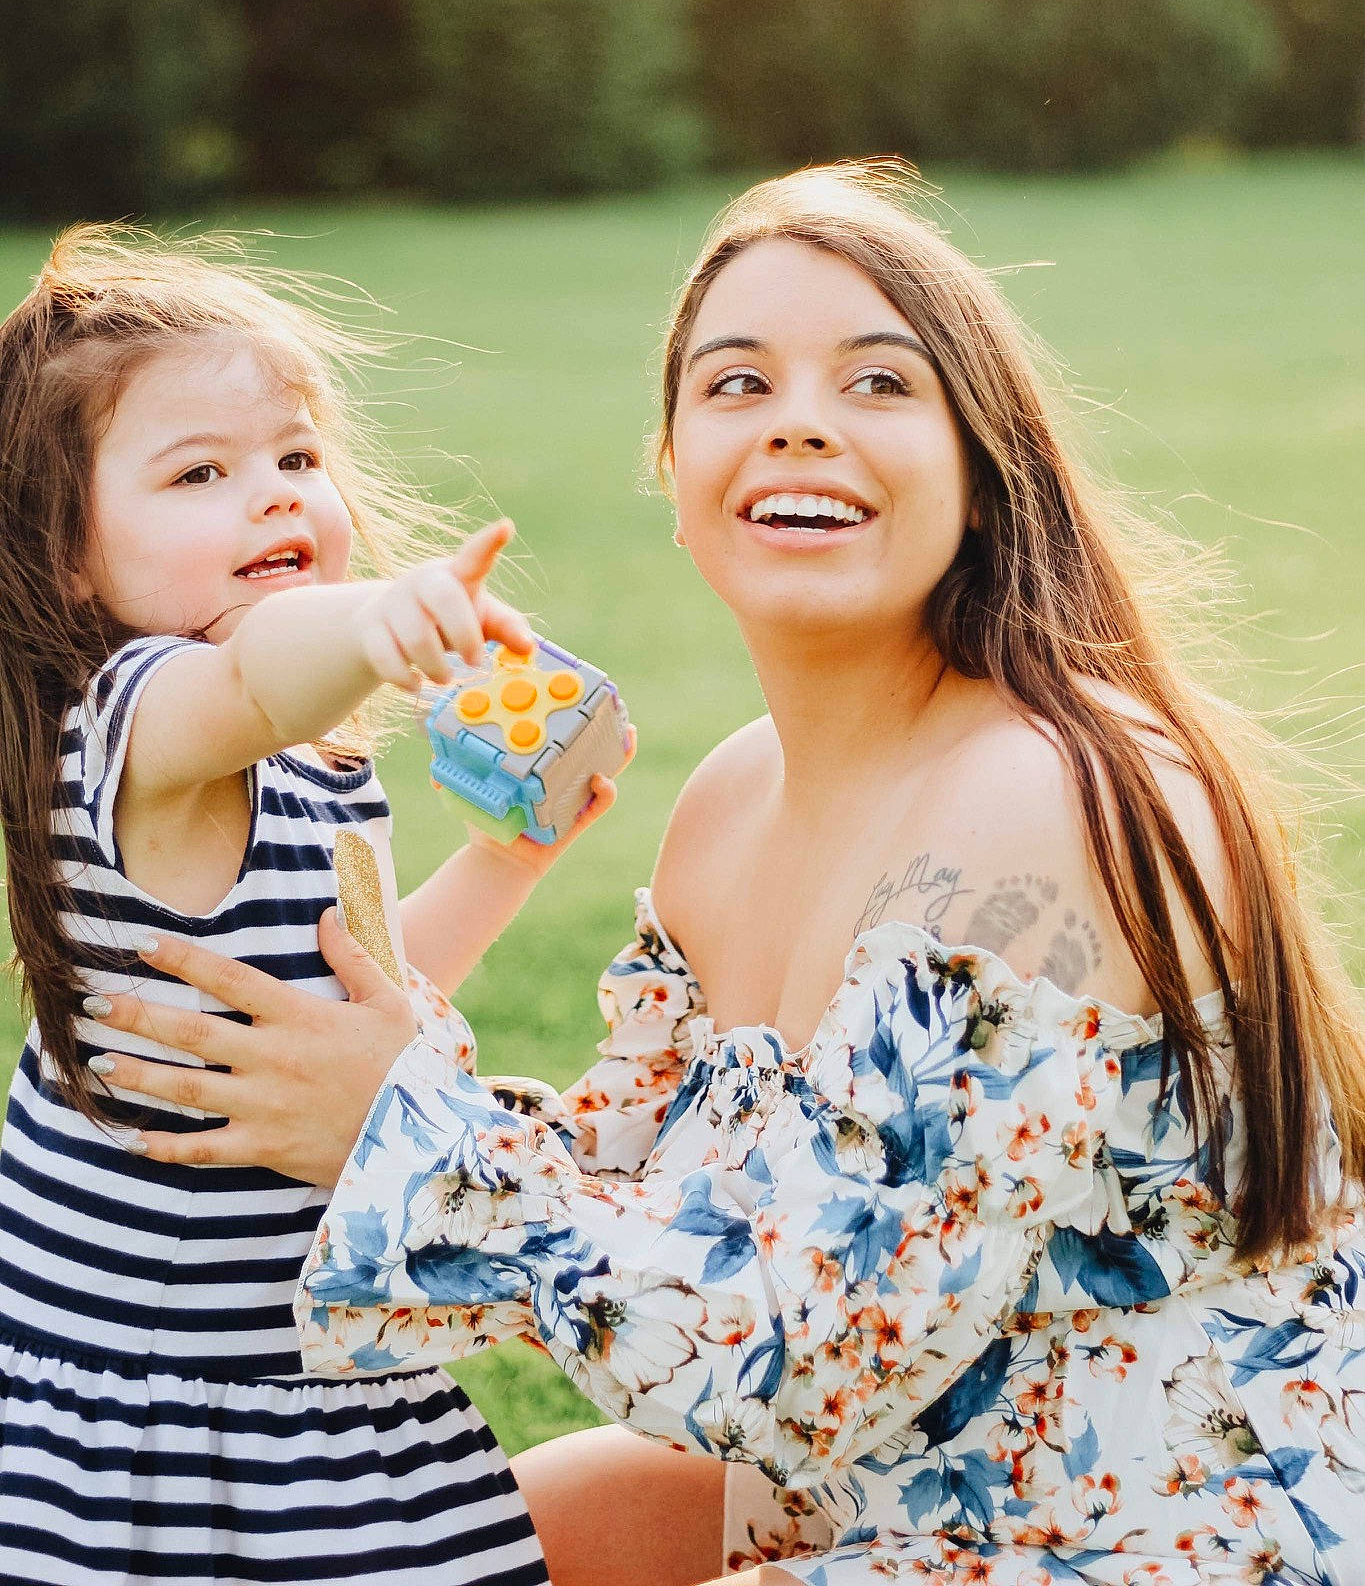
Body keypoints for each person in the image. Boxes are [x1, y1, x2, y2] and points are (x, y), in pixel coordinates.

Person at [86, 165, 1365, 1585]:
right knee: (432, 1541)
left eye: (878, 384)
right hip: (877, 1484)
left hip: (1157, 1531)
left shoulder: (1040, 791)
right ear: (676, 474)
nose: (800, 421)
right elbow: (635, 1205)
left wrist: (402, 1132)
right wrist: (359, 1078)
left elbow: (812, 1352)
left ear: (984, 472)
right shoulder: (733, 797)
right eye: (737, 384)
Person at [0, 226, 623, 1586]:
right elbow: (253, 680)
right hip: (152, 1425)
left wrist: (515, 854)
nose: (275, 498)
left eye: (295, 459)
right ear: (68, 561)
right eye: (200, 474)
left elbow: (372, 991)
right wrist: (367, 622)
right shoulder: (128, 732)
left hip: (310, 1382)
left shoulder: (313, 770)